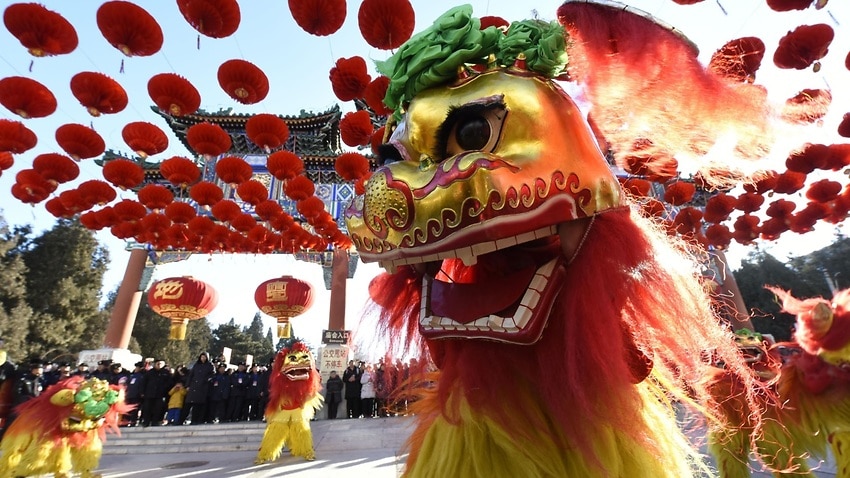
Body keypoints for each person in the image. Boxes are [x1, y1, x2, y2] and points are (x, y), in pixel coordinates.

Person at [181, 352, 214, 425]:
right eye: (202, 357)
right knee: (187, 405)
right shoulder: (196, 365)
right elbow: (191, 375)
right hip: (193, 387)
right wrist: (187, 385)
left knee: (197, 406)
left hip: (202, 388)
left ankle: (194, 420)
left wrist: (206, 380)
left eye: (204, 357)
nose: (203, 358)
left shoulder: (209, 366)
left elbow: (212, 375)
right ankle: (181, 420)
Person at [139, 359, 172, 427]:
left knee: (158, 409)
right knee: (147, 408)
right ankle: (146, 422)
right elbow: (143, 382)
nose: (159, 365)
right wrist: (142, 392)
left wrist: (164, 389)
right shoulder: (149, 372)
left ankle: (155, 421)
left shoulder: (166, 373)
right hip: (149, 394)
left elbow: (169, 383)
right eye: (158, 363)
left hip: (160, 394)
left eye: (161, 364)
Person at [123, 362, 145, 426]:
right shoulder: (132, 375)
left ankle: (133, 422)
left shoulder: (142, 376)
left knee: (134, 410)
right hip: (129, 395)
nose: (136, 368)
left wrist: (141, 393)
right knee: (127, 410)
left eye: (137, 367)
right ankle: (125, 422)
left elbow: (141, 386)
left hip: (136, 396)